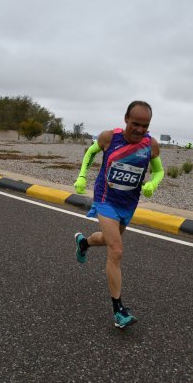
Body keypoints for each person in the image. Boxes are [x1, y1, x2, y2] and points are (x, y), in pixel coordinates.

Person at [73, 100, 164, 329]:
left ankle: (84, 243)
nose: (140, 130)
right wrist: (82, 176)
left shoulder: (151, 145)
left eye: (145, 125)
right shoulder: (108, 138)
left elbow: (159, 170)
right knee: (117, 250)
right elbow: (90, 153)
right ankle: (118, 310)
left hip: (128, 204)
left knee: (106, 240)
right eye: (136, 124)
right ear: (125, 119)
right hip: (105, 200)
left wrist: (154, 183)